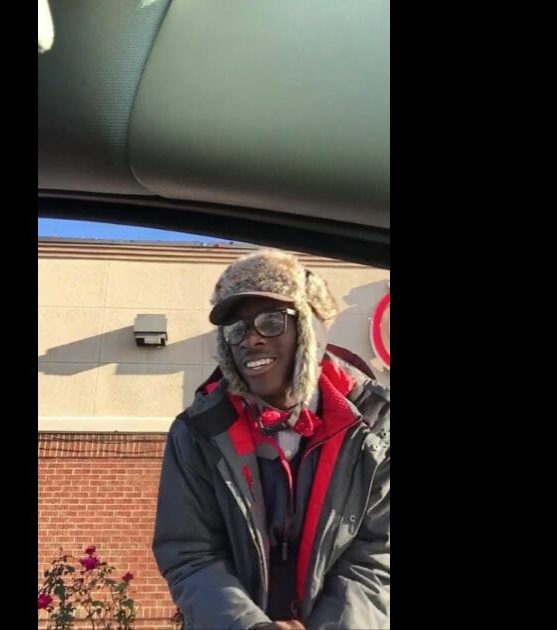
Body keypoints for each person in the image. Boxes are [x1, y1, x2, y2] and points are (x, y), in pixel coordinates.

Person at [152, 249, 391, 630]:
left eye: (271, 321)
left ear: (311, 331)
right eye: (236, 329)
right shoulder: (196, 433)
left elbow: (376, 557)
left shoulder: (377, 429)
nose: (251, 339)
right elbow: (190, 554)